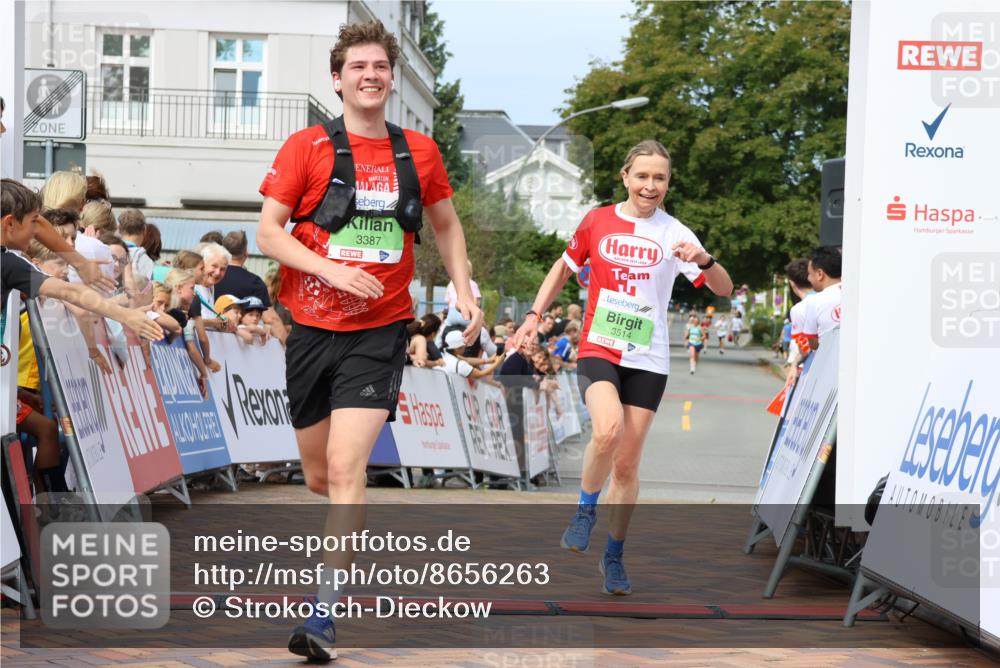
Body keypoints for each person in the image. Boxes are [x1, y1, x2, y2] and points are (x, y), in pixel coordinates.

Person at [254, 20, 482, 662]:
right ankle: (344, 539)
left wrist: (464, 290)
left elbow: (447, 226)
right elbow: (270, 232)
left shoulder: (420, 152)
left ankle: (324, 613)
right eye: (359, 66)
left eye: (381, 66)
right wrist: (329, 269)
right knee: (321, 475)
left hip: (381, 329)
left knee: (350, 469)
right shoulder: (307, 147)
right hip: (311, 328)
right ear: (338, 78)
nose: (372, 75)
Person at [509, 140, 732, 596]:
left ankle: (613, 555)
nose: (651, 186)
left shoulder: (675, 234)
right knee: (606, 431)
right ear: (625, 177)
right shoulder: (597, 220)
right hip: (599, 347)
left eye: (660, 178)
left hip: (647, 359)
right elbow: (562, 269)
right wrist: (533, 315)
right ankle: (586, 509)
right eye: (643, 176)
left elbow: (722, 289)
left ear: (668, 183)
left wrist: (705, 261)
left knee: (627, 465)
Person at [215, 230, 287, 344]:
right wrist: (286, 349)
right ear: (245, 252)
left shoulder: (212, 277)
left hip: (212, 337)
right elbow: (271, 319)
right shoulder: (254, 282)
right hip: (241, 343)